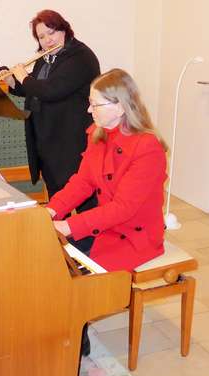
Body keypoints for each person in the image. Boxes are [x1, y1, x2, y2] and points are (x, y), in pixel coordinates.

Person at [46, 68, 168, 356]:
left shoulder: (147, 148)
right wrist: (53, 210)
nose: (89, 110)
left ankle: (76, 333)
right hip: (109, 224)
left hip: (135, 235)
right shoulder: (100, 134)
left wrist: (69, 226)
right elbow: (83, 181)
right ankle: (65, 326)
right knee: (52, 259)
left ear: (120, 106)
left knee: (78, 275)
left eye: (95, 104)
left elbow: (124, 209)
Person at [0, 9, 100, 202]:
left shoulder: (80, 57)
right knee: (57, 197)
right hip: (47, 137)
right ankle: (60, 232)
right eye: (41, 37)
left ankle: (84, 233)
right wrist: (14, 82)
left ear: (64, 29)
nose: (47, 40)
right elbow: (36, 88)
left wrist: (23, 76)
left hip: (70, 139)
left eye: (51, 32)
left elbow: (51, 90)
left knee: (81, 197)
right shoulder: (46, 57)